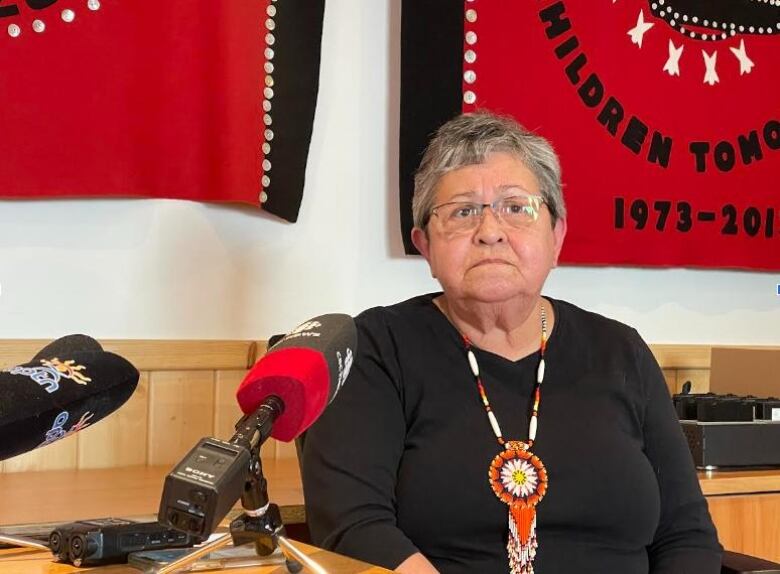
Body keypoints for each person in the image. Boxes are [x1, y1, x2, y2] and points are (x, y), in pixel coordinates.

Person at [301, 112, 721, 574]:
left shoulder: (621, 352)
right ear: (426, 247)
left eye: (516, 207)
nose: (490, 230)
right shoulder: (375, 351)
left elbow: (687, 535)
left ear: (556, 237)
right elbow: (353, 526)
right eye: (462, 211)